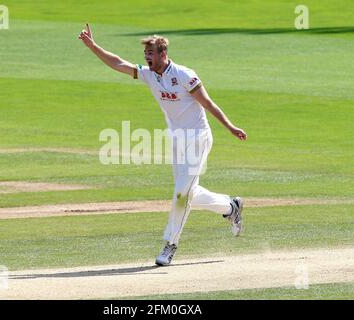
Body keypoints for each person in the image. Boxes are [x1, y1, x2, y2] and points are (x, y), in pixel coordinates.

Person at [78, 24, 247, 266]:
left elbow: (208, 103)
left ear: (163, 54)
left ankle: (170, 245)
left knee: (180, 194)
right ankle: (231, 207)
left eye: (151, 54)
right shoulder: (149, 74)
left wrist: (231, 127)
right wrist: (93, 46)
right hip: (177, 140)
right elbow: (118, 63)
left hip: (198, 139)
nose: (147, 58)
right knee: (188, 192)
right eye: (145, 54)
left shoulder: (185, 75)